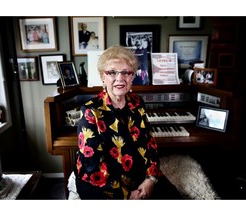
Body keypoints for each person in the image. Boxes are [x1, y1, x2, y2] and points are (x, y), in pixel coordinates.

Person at [74, 45, 182, 200]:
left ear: (132, 77)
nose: (120, 78)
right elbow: (91, 165)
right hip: (103, 183)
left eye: (126, 72)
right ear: (103, 77)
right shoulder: (91, 111)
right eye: (112, 72)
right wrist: (126, 195)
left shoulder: (137, 102)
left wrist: (150, 179)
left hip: (137, 174)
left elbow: (149, 143)